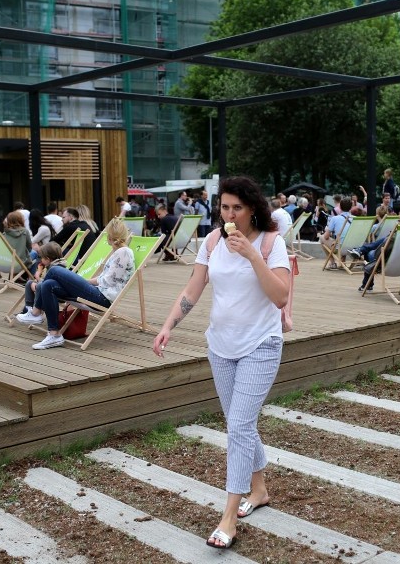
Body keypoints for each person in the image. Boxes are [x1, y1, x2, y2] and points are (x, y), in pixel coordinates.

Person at [152, 176, 290, 550]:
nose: (230, 214)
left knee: (239, 427)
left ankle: (228, 518)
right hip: (220, 347)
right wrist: (168, 326)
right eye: (225, 207)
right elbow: (193, 289)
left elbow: (280, 297)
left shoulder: (270, 243)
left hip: (260, 346)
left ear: (252, 209)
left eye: (238, 208)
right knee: (239, 424)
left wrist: (252, 255)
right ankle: (258, 490)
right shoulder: (211, 242)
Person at [16, 219, 135, 350]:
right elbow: (105, 278)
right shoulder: (118, 252)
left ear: (110, 236)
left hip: (102, 298)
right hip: (98, 292)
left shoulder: (124, 252)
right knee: (49, 284)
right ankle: (54, 334)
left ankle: (36, 312)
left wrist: (82, 282)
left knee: (55, 270)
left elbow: (108, 281)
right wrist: (82, 281)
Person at [20, 241, 67, 316]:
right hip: (48, 288)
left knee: (39, 285)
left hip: (55, 293)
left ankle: (36, 311)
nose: (41, 259)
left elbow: (48, 283)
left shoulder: (56, 268)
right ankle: (28, 308)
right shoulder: (52, 265)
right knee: (29, 283)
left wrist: (38, 276)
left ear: (48, 259)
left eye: (41, 257)